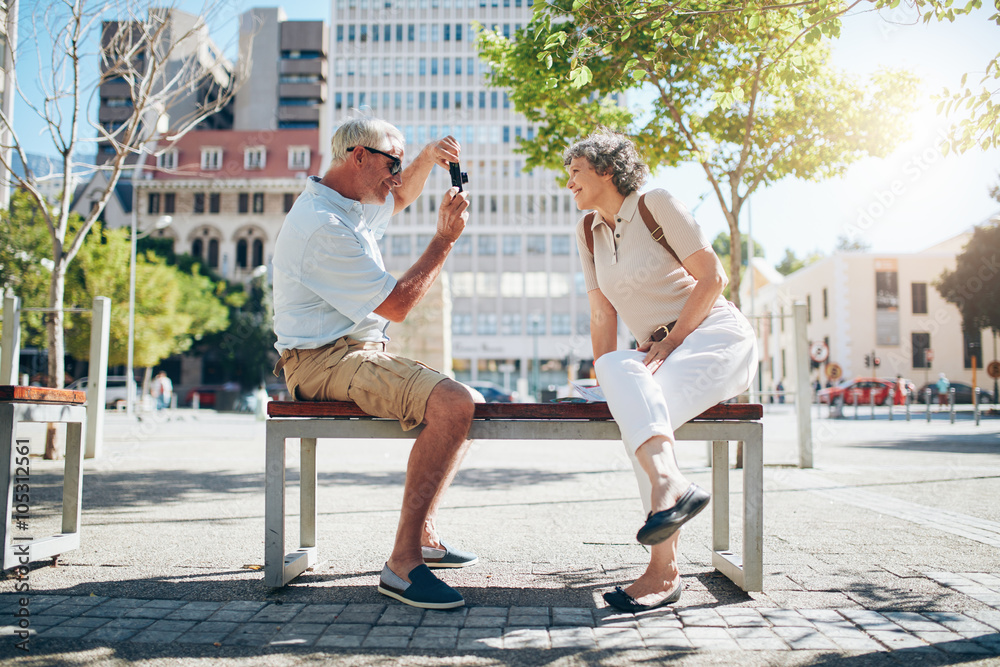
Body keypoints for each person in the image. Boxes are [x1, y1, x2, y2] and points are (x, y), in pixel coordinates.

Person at [271, 117, 477, 610]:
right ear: (357, 156)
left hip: (351, 351)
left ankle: (423, 535)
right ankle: (403, 565)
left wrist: (426, 157)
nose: (396, 175)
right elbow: (399, 306)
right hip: (320, 361)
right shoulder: (323, 226)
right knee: (454, 404)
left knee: (474, 404)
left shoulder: (350, 203)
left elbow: (400, 197)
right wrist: (444, 240)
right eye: (392, 163)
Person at [566, 128, 757, 612]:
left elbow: (714, 277)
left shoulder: (657, 202)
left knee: (645, 417)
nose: (568, 183)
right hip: (658, 350)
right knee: (625, 385)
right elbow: (602, 314)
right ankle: (670, 487)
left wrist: (673, 340)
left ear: (607, 170)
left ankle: (662, 571)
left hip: (712, 334)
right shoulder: (587, 230)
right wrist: (603, 374)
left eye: (576, 172)